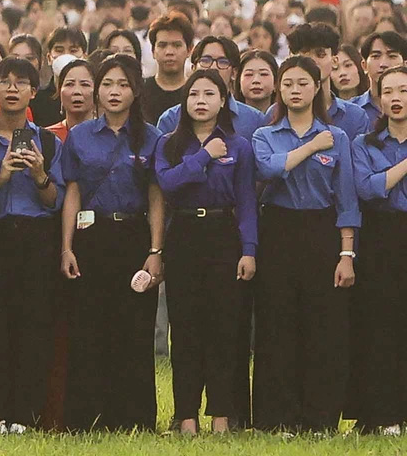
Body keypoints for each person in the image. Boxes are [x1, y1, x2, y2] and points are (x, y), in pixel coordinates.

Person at [55, 53, 165, 432]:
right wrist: (66, 247)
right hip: (90, 236)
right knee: (88, 328)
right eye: (107, 85)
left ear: (136, 90)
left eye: (123, 85)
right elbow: (72, 190)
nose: (114, 92)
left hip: (134, 237)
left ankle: (133, 419)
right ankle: (86, 418)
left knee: (133, 329)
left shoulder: (152, 138)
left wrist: (155, 251)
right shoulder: (81, 136)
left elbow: (156, 196)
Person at [251, 55, 359, 434]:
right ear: (279, 89)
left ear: (317, 88)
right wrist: (312, 147)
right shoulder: (265, 135)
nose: (295, 90)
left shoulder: (339, 138)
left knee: (323, 326)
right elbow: (267, 169)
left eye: (302, 83)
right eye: (288, 83)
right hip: (278, 230)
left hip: (321, 230)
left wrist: (346, 253)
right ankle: (276, 417)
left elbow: (346, 199)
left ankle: (320, 418)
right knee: (277, 325)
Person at [153, 69, 256, 435]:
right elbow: (168, 183)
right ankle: (186, 417)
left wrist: (249, 249)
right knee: (185, 329)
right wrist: (203, 156)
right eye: (193, 94)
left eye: (209, 94)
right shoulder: (168, 143)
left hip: (223, 235)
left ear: (223, 100)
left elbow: (245, 201)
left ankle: (223, 416)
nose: (200, 101)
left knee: (224, 328)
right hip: (183, 234)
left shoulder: (238, 145)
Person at [0, 57, 61, 434]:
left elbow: (54, 201)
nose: (12, 89)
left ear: (33, 91)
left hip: (36, 238)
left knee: (33, 328)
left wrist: (40, 174)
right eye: (4, 82)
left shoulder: (47, 140)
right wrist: (2, 175)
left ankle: (25, 416)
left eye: (20, 83)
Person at [352, 66, 407, 435]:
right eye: (388, 92)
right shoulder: (365, 143)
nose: (396, 99)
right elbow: (370, 189)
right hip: (382, 238)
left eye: (403, 90)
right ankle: (381, 413)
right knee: (381, 327)